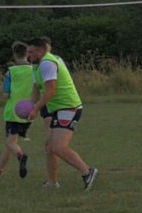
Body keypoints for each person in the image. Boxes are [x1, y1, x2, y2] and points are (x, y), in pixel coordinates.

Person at [25, 36, 98, 190]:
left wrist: (36, 108)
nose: (28, 56)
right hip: (58, 108)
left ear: (40, 51)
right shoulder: (36, 65)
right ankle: (52, 182)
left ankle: (87, 172)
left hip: (69, 107)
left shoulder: (47, 63)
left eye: (31, 52)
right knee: (49, 146)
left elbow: (51, 91)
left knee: (58, 146)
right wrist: (31, 107)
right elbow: (36, 89)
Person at [0, 41, 33, 180]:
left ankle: (21, 156)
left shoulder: (11, 72)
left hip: (13, 112)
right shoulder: (34, 70)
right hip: (28, 112)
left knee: (10, 143)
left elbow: (6, 94)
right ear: (27, 54)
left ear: (14, 55)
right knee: (11, 143)